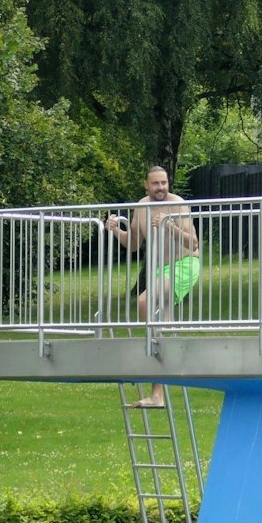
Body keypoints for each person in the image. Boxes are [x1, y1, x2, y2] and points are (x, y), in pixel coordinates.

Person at [104, 165, 200, 408]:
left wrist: (170, 226)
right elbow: (134, 244)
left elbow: (194, 242)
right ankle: (158, 394)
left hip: (185, 264)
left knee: (145, 301)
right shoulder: (142, 206)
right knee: (163, 327)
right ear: (146, 185)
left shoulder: (177, 203)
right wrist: (117, 231)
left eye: (164, 183)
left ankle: (154, 344)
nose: (161, 188)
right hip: (161, 270)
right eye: (156, 184)